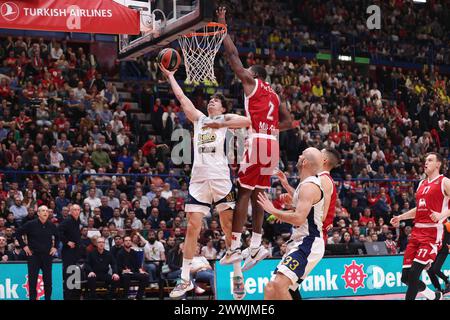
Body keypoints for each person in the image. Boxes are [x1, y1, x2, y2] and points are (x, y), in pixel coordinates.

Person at [216, 8, 293, 290]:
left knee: (244, 193)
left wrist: (223, 27)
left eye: (248, 73)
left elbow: (233, 57)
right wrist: (268, 128)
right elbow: (288, 121)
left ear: (255, 75)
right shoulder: (274, 93)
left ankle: (235, 245)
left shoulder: (253, 83)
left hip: (259, 141)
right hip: (272, 143)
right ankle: (258, 244)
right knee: (260, 193)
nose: (243, 74)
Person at [158, 64, 251, 299]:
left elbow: (247, 121)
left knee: (229, 226)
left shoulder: (225, 119)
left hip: (221, 178)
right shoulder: (199, 120)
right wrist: (170, 76)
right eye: (210, 100)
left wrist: (223, 120)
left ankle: (238, 274)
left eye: (216, 101)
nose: (211, 102)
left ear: (223, 107)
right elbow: (182, 98)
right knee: (191, 228)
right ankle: (184, 279)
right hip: (198, 180)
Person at [257, 148, 326, 300]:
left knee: (280, 285)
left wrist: (273, 210)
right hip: (299, 241)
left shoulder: (309, 187)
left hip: (309, 242)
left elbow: (299, 218)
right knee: (271, 288)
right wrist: (286, 185)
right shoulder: (306, 184)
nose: (299, 155)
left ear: (305, 162)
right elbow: (303, 207)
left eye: (302, 154)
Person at [391, 153, 450, 300]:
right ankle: (433, 296)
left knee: (414, 273)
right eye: (425, 160)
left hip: (432, 232)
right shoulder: (421, 184)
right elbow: (419, 209)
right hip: (417, 231)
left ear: (438, 164)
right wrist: (401, 217)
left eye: (430, 160)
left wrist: (442, 215)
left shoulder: (444, 182)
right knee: (405, 277)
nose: (426, 162)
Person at [16, 206, 59, 300]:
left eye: (47, 211)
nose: (45, 212)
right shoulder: (30, 224)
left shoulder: (51, 225)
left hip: (47, 256)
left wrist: (55, 247)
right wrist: (24, 246)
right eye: (43, 211)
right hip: (34, 256)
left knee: (48, 281)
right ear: (38, 213)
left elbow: (58, 236)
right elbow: (18, 233)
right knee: (32, 281)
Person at [58, 204, 82, 299]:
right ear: (71, 211)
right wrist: (67, 242)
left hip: (75, 251)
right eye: (74, 210)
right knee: (69, 273)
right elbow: (58, 231)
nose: (76, 211)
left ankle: (74, 296)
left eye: (78, 210)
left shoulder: (77, 220)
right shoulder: (68, 220)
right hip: (68, 251)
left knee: (75, 273)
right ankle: (68, 296)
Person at [116, 236, 149, 300]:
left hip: (133, 272)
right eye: (126, 241)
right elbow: (118, 267)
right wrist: (124, 270)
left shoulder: (133, 252)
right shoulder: (120, 253)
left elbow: (138, 265)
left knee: (145, 276)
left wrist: (141, 271)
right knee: (126, 276)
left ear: (131, 242)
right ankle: (125, 296)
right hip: (124, 273)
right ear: (123, 243)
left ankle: (139, 296)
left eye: (129, 240)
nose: (128, 242)